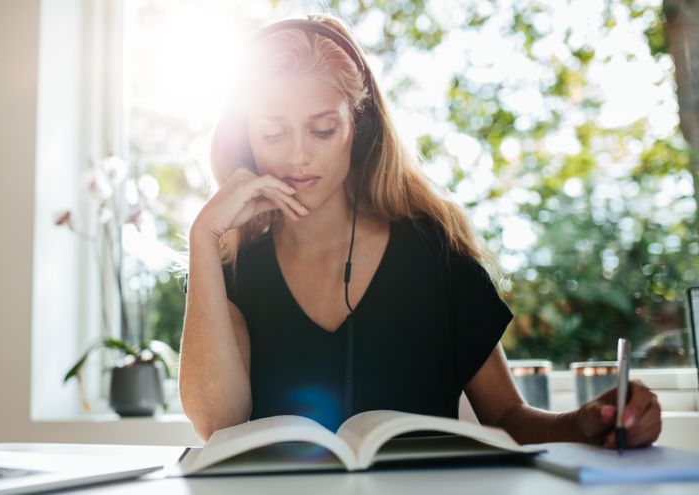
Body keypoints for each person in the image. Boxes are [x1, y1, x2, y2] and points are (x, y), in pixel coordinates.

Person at [178, 14, 662, 448]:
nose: (298, 156)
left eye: (323, 129)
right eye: (273, 133)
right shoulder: (231, 269)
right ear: (247, 138)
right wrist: (204, 238)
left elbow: (507, 416)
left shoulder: (433, 251)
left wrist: (583, 424)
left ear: (359, 127)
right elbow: (216, 424)